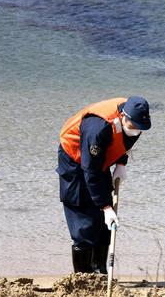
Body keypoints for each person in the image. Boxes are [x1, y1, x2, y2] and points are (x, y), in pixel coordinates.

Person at [57, 96, 151, 273]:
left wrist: (121, 163)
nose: (137, 131)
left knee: (103, 223)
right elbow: (90, 171)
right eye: (134, 126)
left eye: (141, 128)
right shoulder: (98, 128)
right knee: (84, 216)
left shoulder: (136, 119)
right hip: (75, 158)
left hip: (98, 158)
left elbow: (126, 140)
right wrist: (106, 206)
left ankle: (100, 270)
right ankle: (83, 276)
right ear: (124, 116)